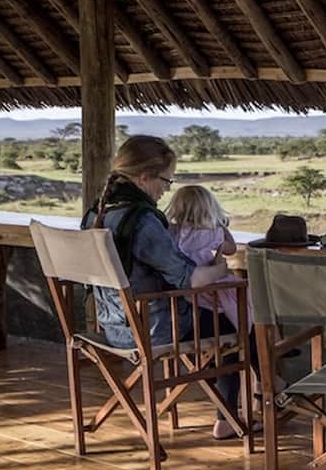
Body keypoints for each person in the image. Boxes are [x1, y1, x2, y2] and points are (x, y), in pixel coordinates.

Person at [81, 135, 241, 440]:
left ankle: (218, 393)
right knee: (230, 327)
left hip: (112, 326)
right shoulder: (142, 221)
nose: (166, 189)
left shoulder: (96, 213)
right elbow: (189, 279)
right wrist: (222, 268)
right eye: (166, 181)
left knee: (207, 320)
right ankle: (227, 418)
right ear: (145, 178)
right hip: (154, 328)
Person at [165, 185, 245, 334]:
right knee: (244, 291)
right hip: (208, 283)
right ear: (208, 209)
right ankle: (247, 331)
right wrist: (222, 228)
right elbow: (231, 249)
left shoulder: (171, 232)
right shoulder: (209, 234)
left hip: (183, 289)